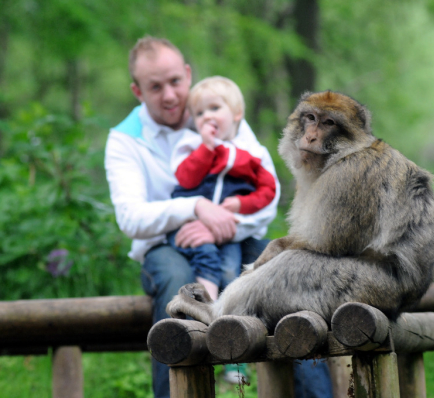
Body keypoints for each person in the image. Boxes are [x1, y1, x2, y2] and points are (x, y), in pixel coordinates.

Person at [104, 36, 332, 398]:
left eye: (176, 82)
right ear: (137, 90)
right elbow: (131, 218)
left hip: (235, 236)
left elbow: (266, 193)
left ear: (188, 74)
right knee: (180, 286)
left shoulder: (218, 108)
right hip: (168, 245)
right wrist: (194, 209)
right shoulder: (125, 140)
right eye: (155, 87)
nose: (169, 95)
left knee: (286, 276)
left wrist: (221, 223)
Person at [167, 76, 277, 301]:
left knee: (230, 267)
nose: (207, 116)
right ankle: (205, 310)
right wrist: (206, 148)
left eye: (215, 108)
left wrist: (241, 204)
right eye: (199, 113)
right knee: (206, 255)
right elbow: (185, 179)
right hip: (192, 225)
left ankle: (228, 316)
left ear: (237, 113)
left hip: (229, 233)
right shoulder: (190, 145)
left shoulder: (253, 153)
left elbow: (268, 191)